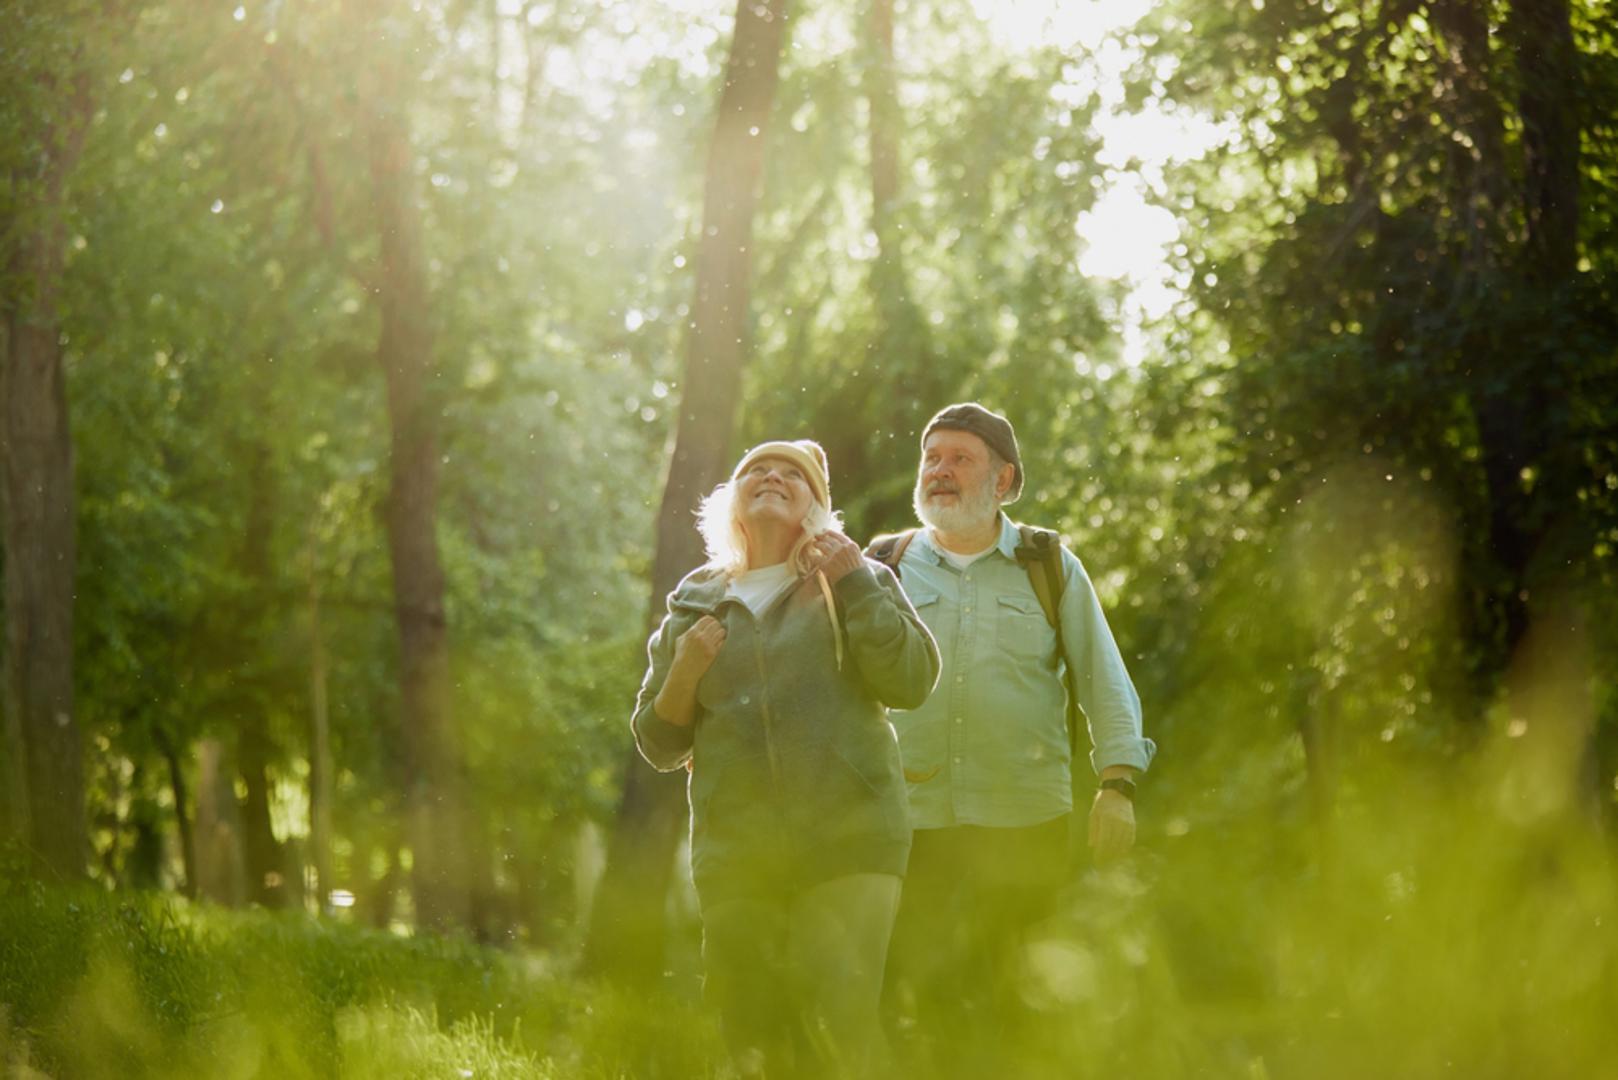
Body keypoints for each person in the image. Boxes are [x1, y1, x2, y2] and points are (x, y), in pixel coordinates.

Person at [631, 439, 940, 1078]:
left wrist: (854, 581)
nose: (772, 477)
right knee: (752, 1031)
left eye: (792, 474)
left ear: (816, 506)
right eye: (756, 471)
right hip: (738, 851)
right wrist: (686, 670)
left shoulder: (857, 577)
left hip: (851, 839)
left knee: (836, 1024)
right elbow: (658, 741)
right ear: (733, 503)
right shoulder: (694, 600)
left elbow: (910, 680)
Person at [875, 402, 1155, 1059]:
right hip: (905, 819)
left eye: (960, 458)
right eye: (932, 457)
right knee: (906, 1002)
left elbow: (1103, 678)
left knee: (1017, 1001)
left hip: (1024, 819)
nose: (940, 471)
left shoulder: (1050, 565)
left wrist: (1118, 784)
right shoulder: (881, 565)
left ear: (1002, 481)